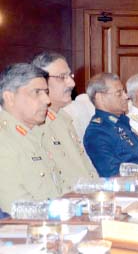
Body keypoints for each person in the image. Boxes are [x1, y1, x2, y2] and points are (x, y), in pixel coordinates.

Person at [31, 51, 99, 190]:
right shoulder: (35, 124)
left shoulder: (63, 118)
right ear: (41, 82)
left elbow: (84, 169)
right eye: (62, 77)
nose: (72, 83)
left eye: (70, 76)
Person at [0, 63, 63, 212]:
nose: (47, 100)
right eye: (37, 92)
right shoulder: (4, 140)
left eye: (46, 92)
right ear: (9, 97)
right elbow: (18, 208)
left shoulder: (35, 134)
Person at [83, 73, 138, 177]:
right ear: (100, 97)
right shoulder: (97, 133)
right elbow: (113, 176)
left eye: (124, 91)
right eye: (119, 93)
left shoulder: (121, 122)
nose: (126, 96)